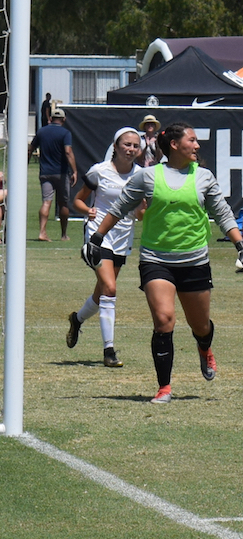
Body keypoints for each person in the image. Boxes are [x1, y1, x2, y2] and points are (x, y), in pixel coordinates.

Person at [83, 122, 243, 403]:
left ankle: (204, 348)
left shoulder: (204, 177)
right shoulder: (148, 177)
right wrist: (97, 238)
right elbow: (120, 207)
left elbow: (223, 214)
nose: (197, 145)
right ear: (174, 145)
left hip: (195, 261)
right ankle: (164, 387)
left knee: (200, 326)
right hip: (155, 260)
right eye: (192, 140)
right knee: (164, 320)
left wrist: (242, 247)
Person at [67, 127, 143, 367]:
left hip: (123, 238)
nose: (131, 149)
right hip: (98, 235)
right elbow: (78, 200)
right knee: (110, 288)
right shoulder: (99, 171)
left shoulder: (142, 175)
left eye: (135, 146)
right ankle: (109, 351)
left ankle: (77, 319)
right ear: (115, 145)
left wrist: (144, 210)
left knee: (102, 292)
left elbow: (141, 213)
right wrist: (86, 210)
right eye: (126, 144)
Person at [28, 107, 77, 241]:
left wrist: (26, 164)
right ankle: (63, 234)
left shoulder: (41, 131)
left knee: (46, 202)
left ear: (50, 119)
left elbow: (30, 149)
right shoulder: (65, 133)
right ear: (63, 119)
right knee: (63, 203)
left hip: (45, 173)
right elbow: (68, 152)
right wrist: (75, 170)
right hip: (61, 173)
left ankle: (42, 232)